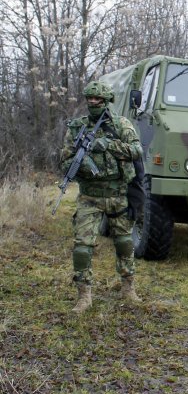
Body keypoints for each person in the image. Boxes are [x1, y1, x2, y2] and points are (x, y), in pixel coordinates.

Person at [60, 80, 144, 313]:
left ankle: (128, 288)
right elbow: (64, 161)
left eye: (97, 99)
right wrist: (83, 164)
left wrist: (108, 145)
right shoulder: (77, 128)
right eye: (89, 99)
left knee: (125, 243)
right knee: (82, 247)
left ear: (106, 101)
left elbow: (137, 151)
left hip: (118, 193)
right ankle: (84, 296)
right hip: (90, 196)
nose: (93, 103)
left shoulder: (121, 125)